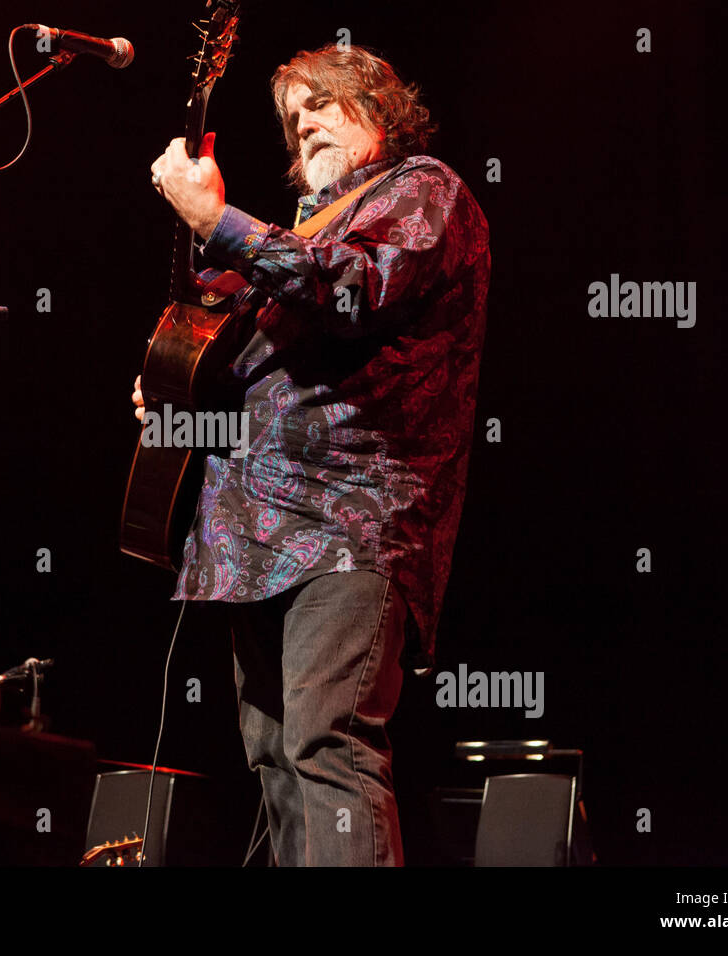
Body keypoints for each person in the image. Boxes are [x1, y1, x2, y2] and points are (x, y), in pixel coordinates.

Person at [136, 44, 490, 865]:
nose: (305, 128)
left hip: (350, 516)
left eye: (322, 106)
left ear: (379, 112)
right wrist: (174, 397)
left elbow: (353, 289)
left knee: (328, 743)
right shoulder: (297, 236)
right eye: (294, 124)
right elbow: (239, 373)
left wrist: (215, 220)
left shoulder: (424, 189)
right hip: (248, 532)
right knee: (273, 761)